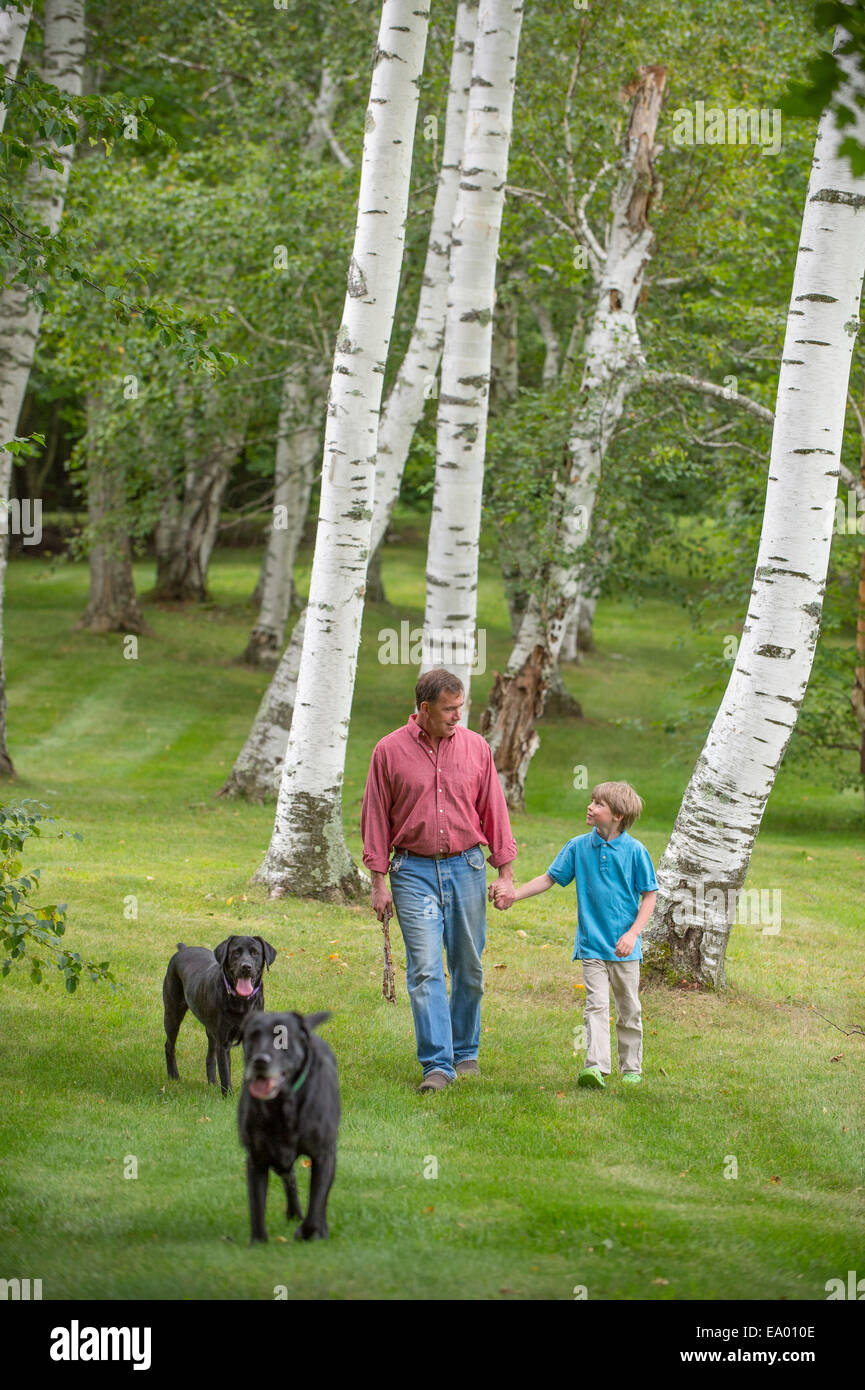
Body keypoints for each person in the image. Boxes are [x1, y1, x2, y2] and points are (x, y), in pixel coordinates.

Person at [361, 669, 517, 1093]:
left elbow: (494, 810)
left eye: (460, 708)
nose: (457, 717)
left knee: (468, 967)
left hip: (466, 867)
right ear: (424, 709)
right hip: (411, 872)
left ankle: (465, 1052)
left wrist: (504, 870)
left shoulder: (476, 748)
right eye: (449, 710)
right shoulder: (388, 751)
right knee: (426, 969)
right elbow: (375, 816)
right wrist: (378, 882)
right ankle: (437, 1065)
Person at [492, 781, 657, 1088]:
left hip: (625, 949)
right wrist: (514, 895)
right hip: (592, 944)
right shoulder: (578, 846)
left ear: (618, 815)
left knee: (629, 1009)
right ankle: (596, 1067)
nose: (590, 807)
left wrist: (633, 934)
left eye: (598, 804)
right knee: (596, 1005)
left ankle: (632, 1068)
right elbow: (549, 879)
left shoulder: (635, 852)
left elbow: (649, 896)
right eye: (591, 801)